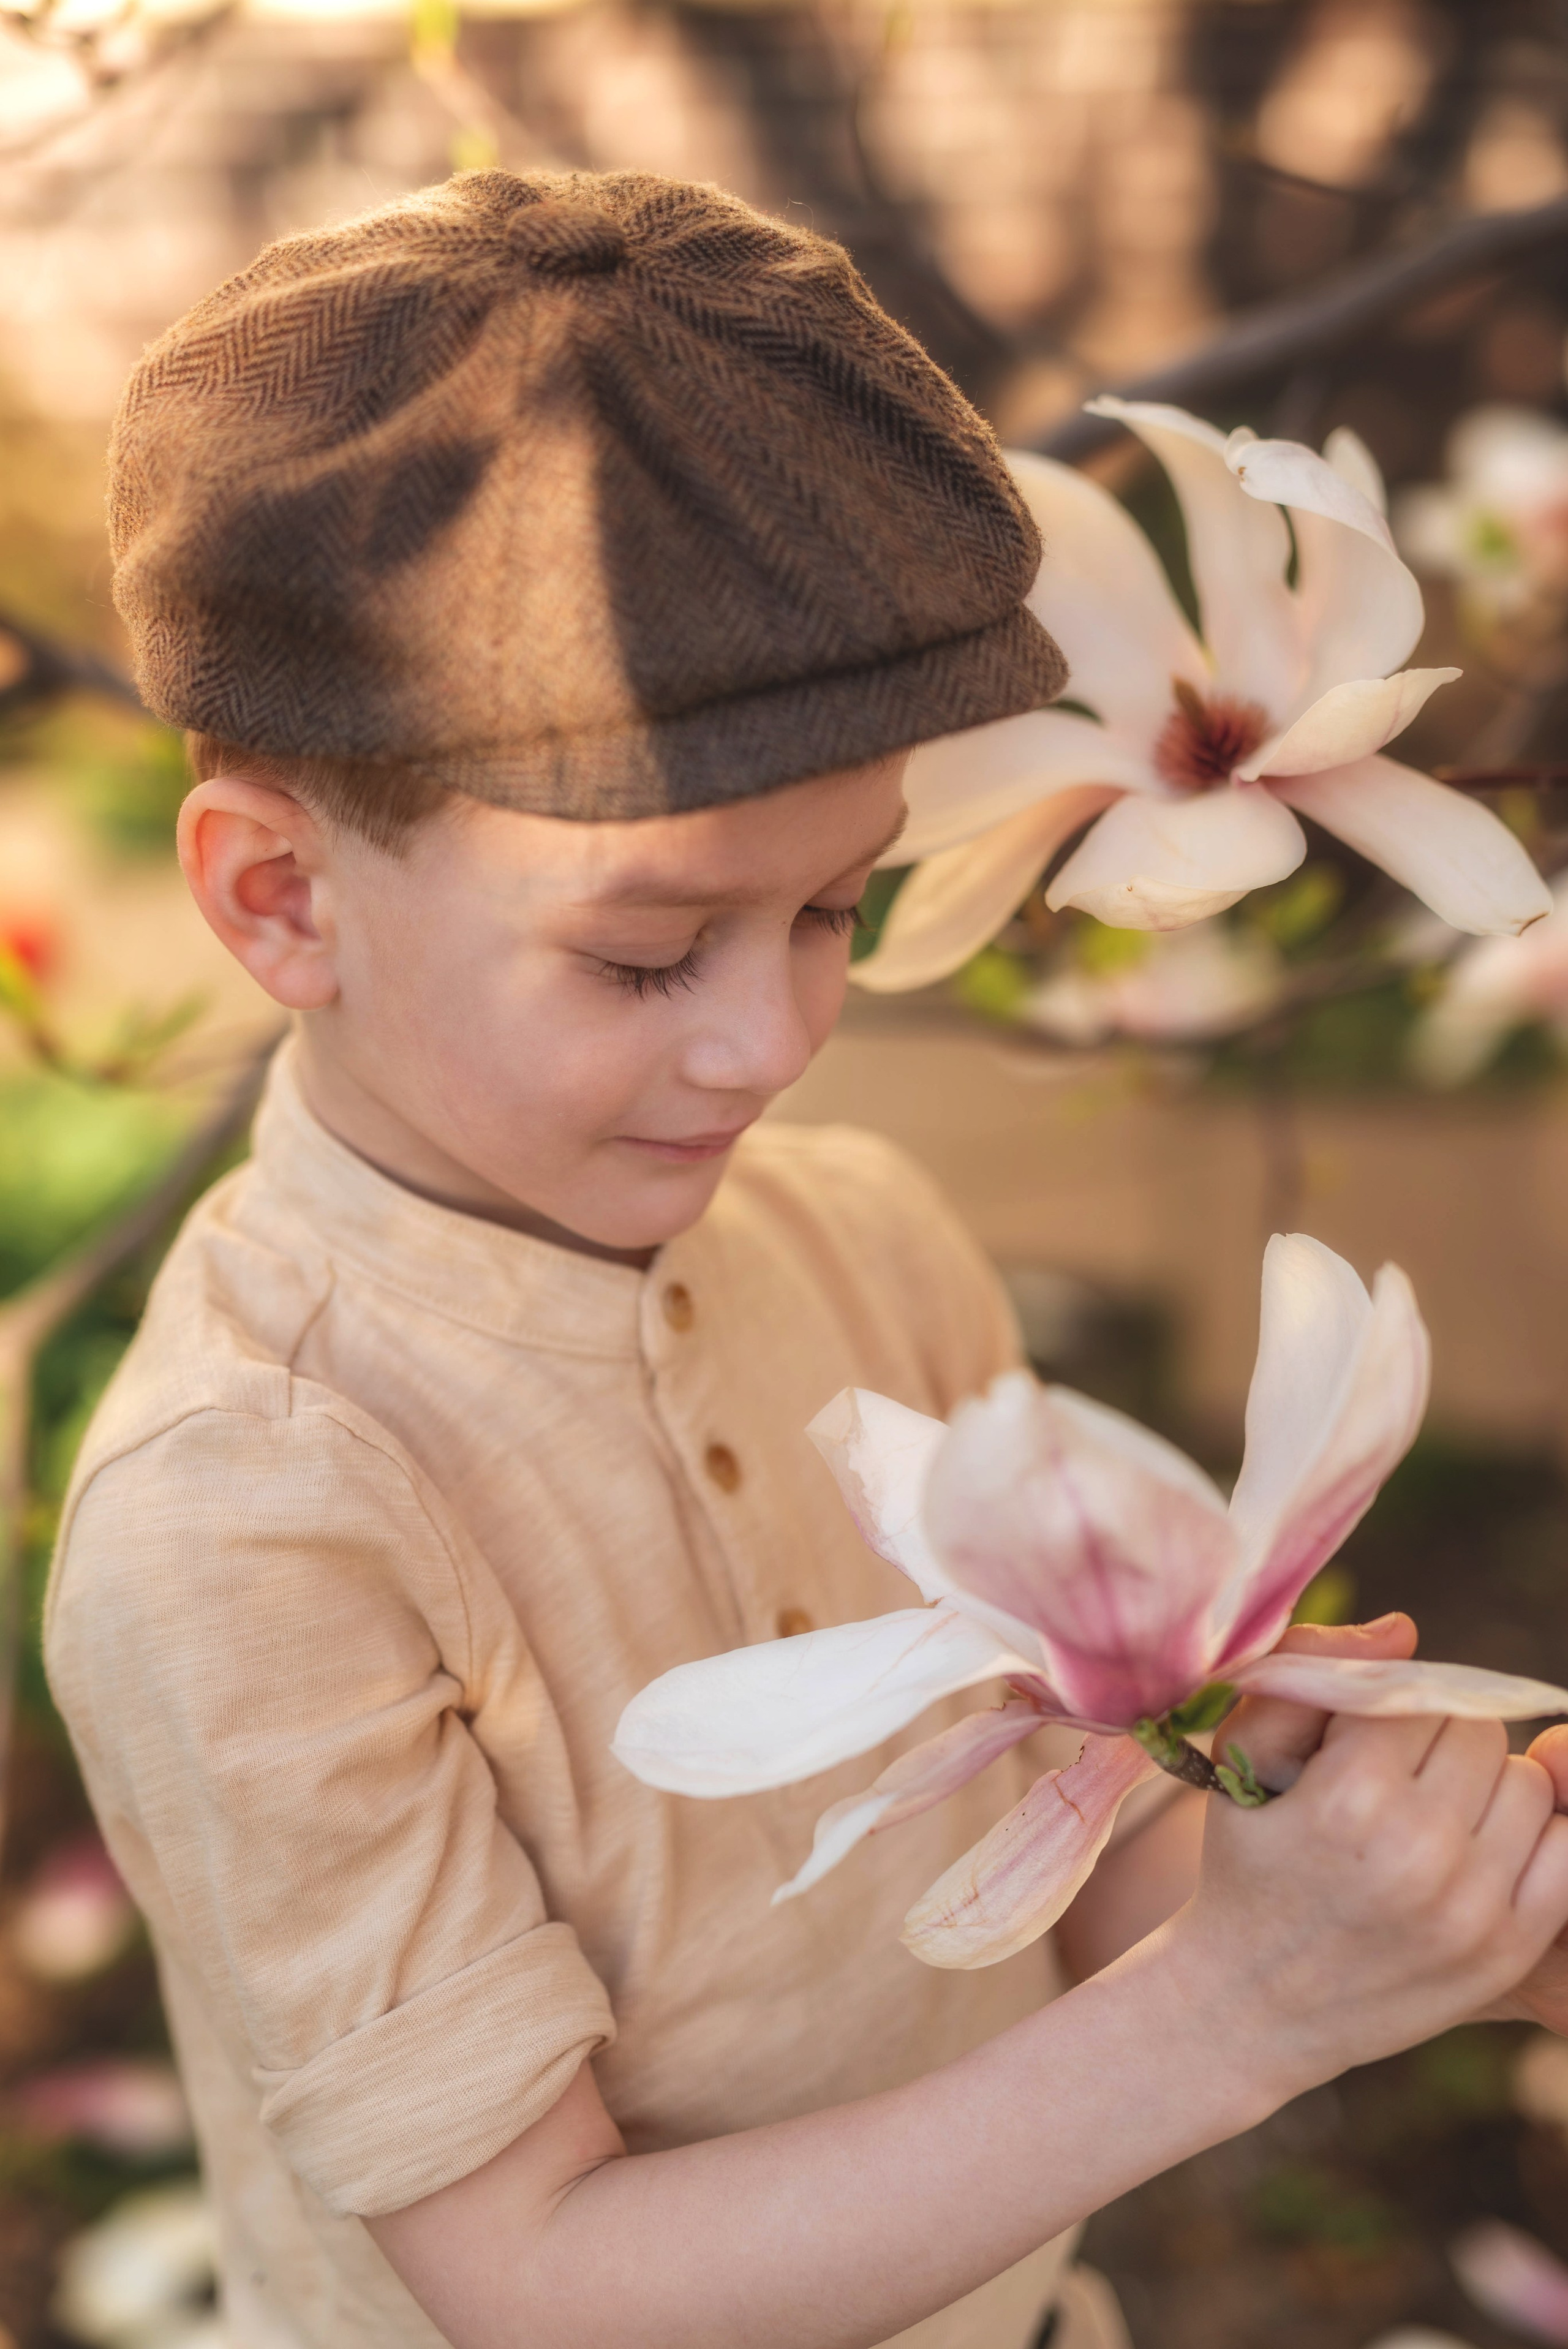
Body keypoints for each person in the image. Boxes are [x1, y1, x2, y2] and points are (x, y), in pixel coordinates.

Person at [43, 165, 1568, 2349]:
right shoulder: (249, 1517)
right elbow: (544, 2282)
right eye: (651, 952)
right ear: (281, 899)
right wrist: (1247, 2011)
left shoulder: (857, 1243)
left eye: (835, 908)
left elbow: (1097, 1858)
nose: (775, 1038)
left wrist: (1438, 1903)